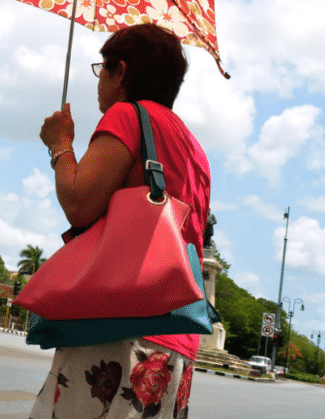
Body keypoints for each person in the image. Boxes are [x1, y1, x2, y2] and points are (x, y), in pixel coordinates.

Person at [32, 23, 211, 419]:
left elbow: (79, 204)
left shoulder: (127, 116)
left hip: (119, 333)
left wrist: (61, 146)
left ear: (122, 72)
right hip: (175, 343)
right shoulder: (193, 147)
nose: (100, 82)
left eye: (102, 69)